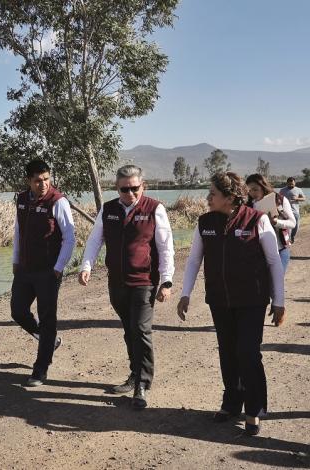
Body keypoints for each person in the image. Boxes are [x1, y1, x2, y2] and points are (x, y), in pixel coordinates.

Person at [176, 171, 285, 436]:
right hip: (219, 300)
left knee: (248, 353)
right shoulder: (205, 223)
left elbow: (273, 262)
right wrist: (185, 293)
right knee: (227, 352)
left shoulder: (257, 220)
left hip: (252, 300)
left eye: (212, 193)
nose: (208, 198)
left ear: (230, 197)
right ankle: (232, 403)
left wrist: (279, 301)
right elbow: (193, 261)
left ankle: (255, 409)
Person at [78, 165, 175, 409]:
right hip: (117, 282)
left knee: (141, 330)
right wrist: (86, 266)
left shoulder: (154, 209)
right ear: (117, 188)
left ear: (143, 186)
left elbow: (165, 247)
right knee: (129, 329)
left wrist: (166, 280)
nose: (130, 193)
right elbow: (95, 240)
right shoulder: (108, 210)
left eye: (135, 188)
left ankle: (142, 384)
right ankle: (134, 374)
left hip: (144, 281)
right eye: (125, 189)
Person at [10, 159, 76, 387]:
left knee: (48, 319)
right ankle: (49, 341)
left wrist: (58, 269)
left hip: (48, 271)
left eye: (47, 179)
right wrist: (15, 259)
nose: (43, 184)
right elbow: (19, 231)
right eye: (38, 180)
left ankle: (41, 369)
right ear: (28, 180)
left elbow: (70, 238)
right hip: (25, 269)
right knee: (17, 311)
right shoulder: (21, 200)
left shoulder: (58, 202)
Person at [247, 174, 296, 271]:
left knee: (277, 284)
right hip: (257, 252)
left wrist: (276, 222)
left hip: (280, 249)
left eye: (255, 189)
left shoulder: (279, 200)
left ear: (263, 187)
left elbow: (292, 223)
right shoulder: (248, 205)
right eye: (249, 190)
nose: (252, 193)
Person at [278, 177, 306, 242]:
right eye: (289, 184)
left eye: (292, 184)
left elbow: (304, 198)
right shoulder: (282, 190)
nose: (291, 185)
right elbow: (278, 199)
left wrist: (297, 199)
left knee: (296, 226)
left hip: (295, 211)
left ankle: (292, 236)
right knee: (286, 226)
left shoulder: (298, 189)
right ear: (287, 183)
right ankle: (286, 239)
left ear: (294, 183)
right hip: (285, 212)